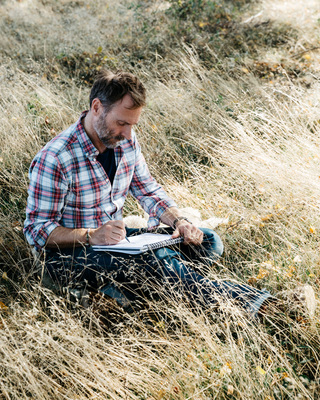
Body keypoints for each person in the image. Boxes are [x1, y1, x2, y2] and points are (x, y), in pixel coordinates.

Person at [24, 70, 307, 319]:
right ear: (96, 107)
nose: (127, 133)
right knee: (153, 262)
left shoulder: (124, 140)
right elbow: (37, 232)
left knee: (207, 242)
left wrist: (179, 222)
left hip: (118, 243)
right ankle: (267, 308)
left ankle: (140, 287)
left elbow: (147, 189)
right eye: (122, 122)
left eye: (133, 124)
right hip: (69, 256)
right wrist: (90, 235)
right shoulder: (56, 157)